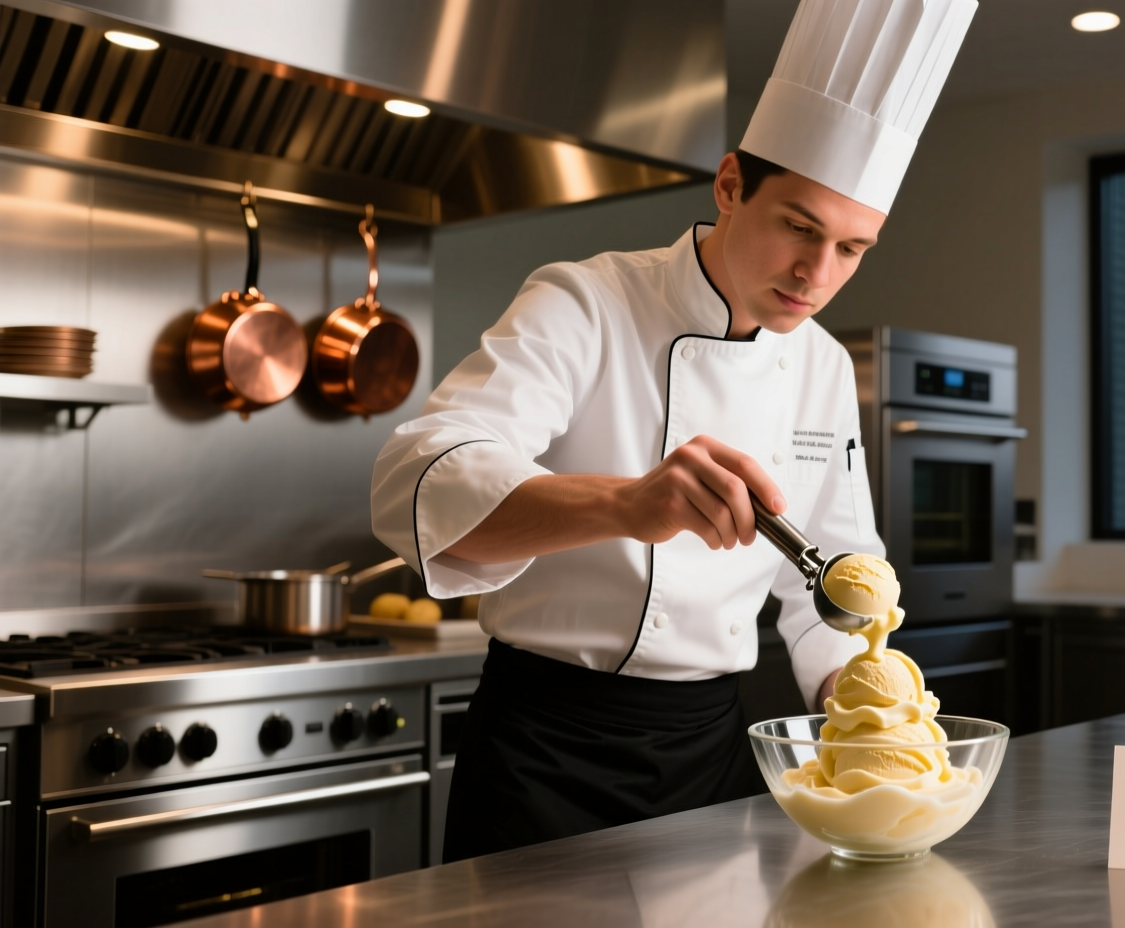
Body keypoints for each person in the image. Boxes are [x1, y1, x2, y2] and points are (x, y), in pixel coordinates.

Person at [370, 0, 979, 862]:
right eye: (799, 228)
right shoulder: (588, 302)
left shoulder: (821, 366)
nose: (816, 273)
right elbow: (414, 478)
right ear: (730, 185)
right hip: (546, 746)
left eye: (852, 249)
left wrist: (868, 700)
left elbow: (831, 580)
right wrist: (626, 503)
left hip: (710, 749)